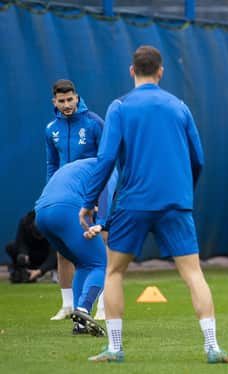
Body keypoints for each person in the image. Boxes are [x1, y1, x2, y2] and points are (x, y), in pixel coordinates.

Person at [78, 45, 228, 364]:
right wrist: (184, 192)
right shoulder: (180, 107)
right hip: (175, 202)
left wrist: (89, 201)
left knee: (115, 272)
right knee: (193, 273)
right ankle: (213, 347)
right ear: (161, 72)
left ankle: (116, 349)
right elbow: (198, 159)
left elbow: (106, 158)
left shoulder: (119, 107)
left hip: (133, 202)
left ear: (132, 71)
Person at [35, 158, 116, 336]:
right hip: (66, 209)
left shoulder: (81, 166)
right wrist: (100, 224)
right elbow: (105, 197)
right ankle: (84, 309)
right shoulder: (111, 166)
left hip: (41, 213)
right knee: (100, 263)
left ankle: (79, 324)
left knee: (83, 264)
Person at [46, 79, 104, 321]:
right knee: (64, 250)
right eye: (62, 101)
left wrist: (100, 196)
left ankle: (103, 305)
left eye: (70, 99)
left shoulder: (94, 123)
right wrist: (50, 190)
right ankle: (68, 305)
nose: (67, 104)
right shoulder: (51, 129)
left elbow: (106, 161)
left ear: (77, 97)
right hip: (65, 196)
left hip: (91, 194)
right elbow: (52, 164)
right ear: (55, 102)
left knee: (101, 245)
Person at [5, 210, 56, 283]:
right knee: (11, 247)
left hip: (46, 254)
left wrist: (40, 271)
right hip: (31, 255)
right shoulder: (24, 221)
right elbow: (20, 241)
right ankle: (22, 272)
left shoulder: (52, 225)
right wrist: (23, 254)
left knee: (61, 253)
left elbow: (53, 254)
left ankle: (55, 272)